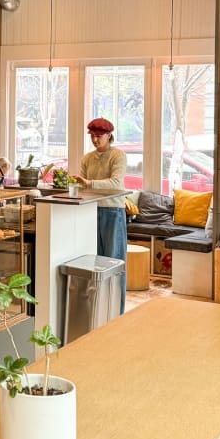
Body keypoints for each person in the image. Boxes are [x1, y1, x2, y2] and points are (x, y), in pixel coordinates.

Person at [74, 117, 129, 311]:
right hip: (90, 210)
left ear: (109, 135)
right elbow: (81, 185)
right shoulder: (87, 158)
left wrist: (89, 183)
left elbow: (116, 183)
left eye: (99, 136)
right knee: (93, 260)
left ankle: (116, 309)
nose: (95, 140)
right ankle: (96, 309)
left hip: (113, 210)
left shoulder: (118, 155)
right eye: (92, 136)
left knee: (114, 260)